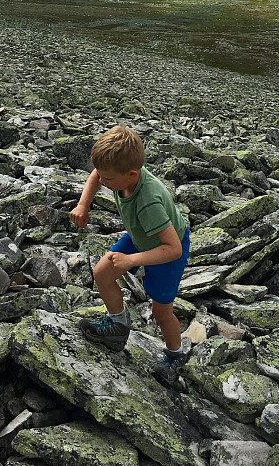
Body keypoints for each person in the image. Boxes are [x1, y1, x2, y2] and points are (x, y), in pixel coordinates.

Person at [70, 125, 191, 385]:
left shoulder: (149, 202)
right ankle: (118, 325)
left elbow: (173, 249)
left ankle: (175, 356)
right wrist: (83, 205)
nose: (103, 182)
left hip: (166, 249)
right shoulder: (117, 173)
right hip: (140, 235)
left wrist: (132, 260)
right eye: (103, 176)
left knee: (161, 310)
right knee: (102, 273)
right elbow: (96, 175)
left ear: (132, 174)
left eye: (108, 180)